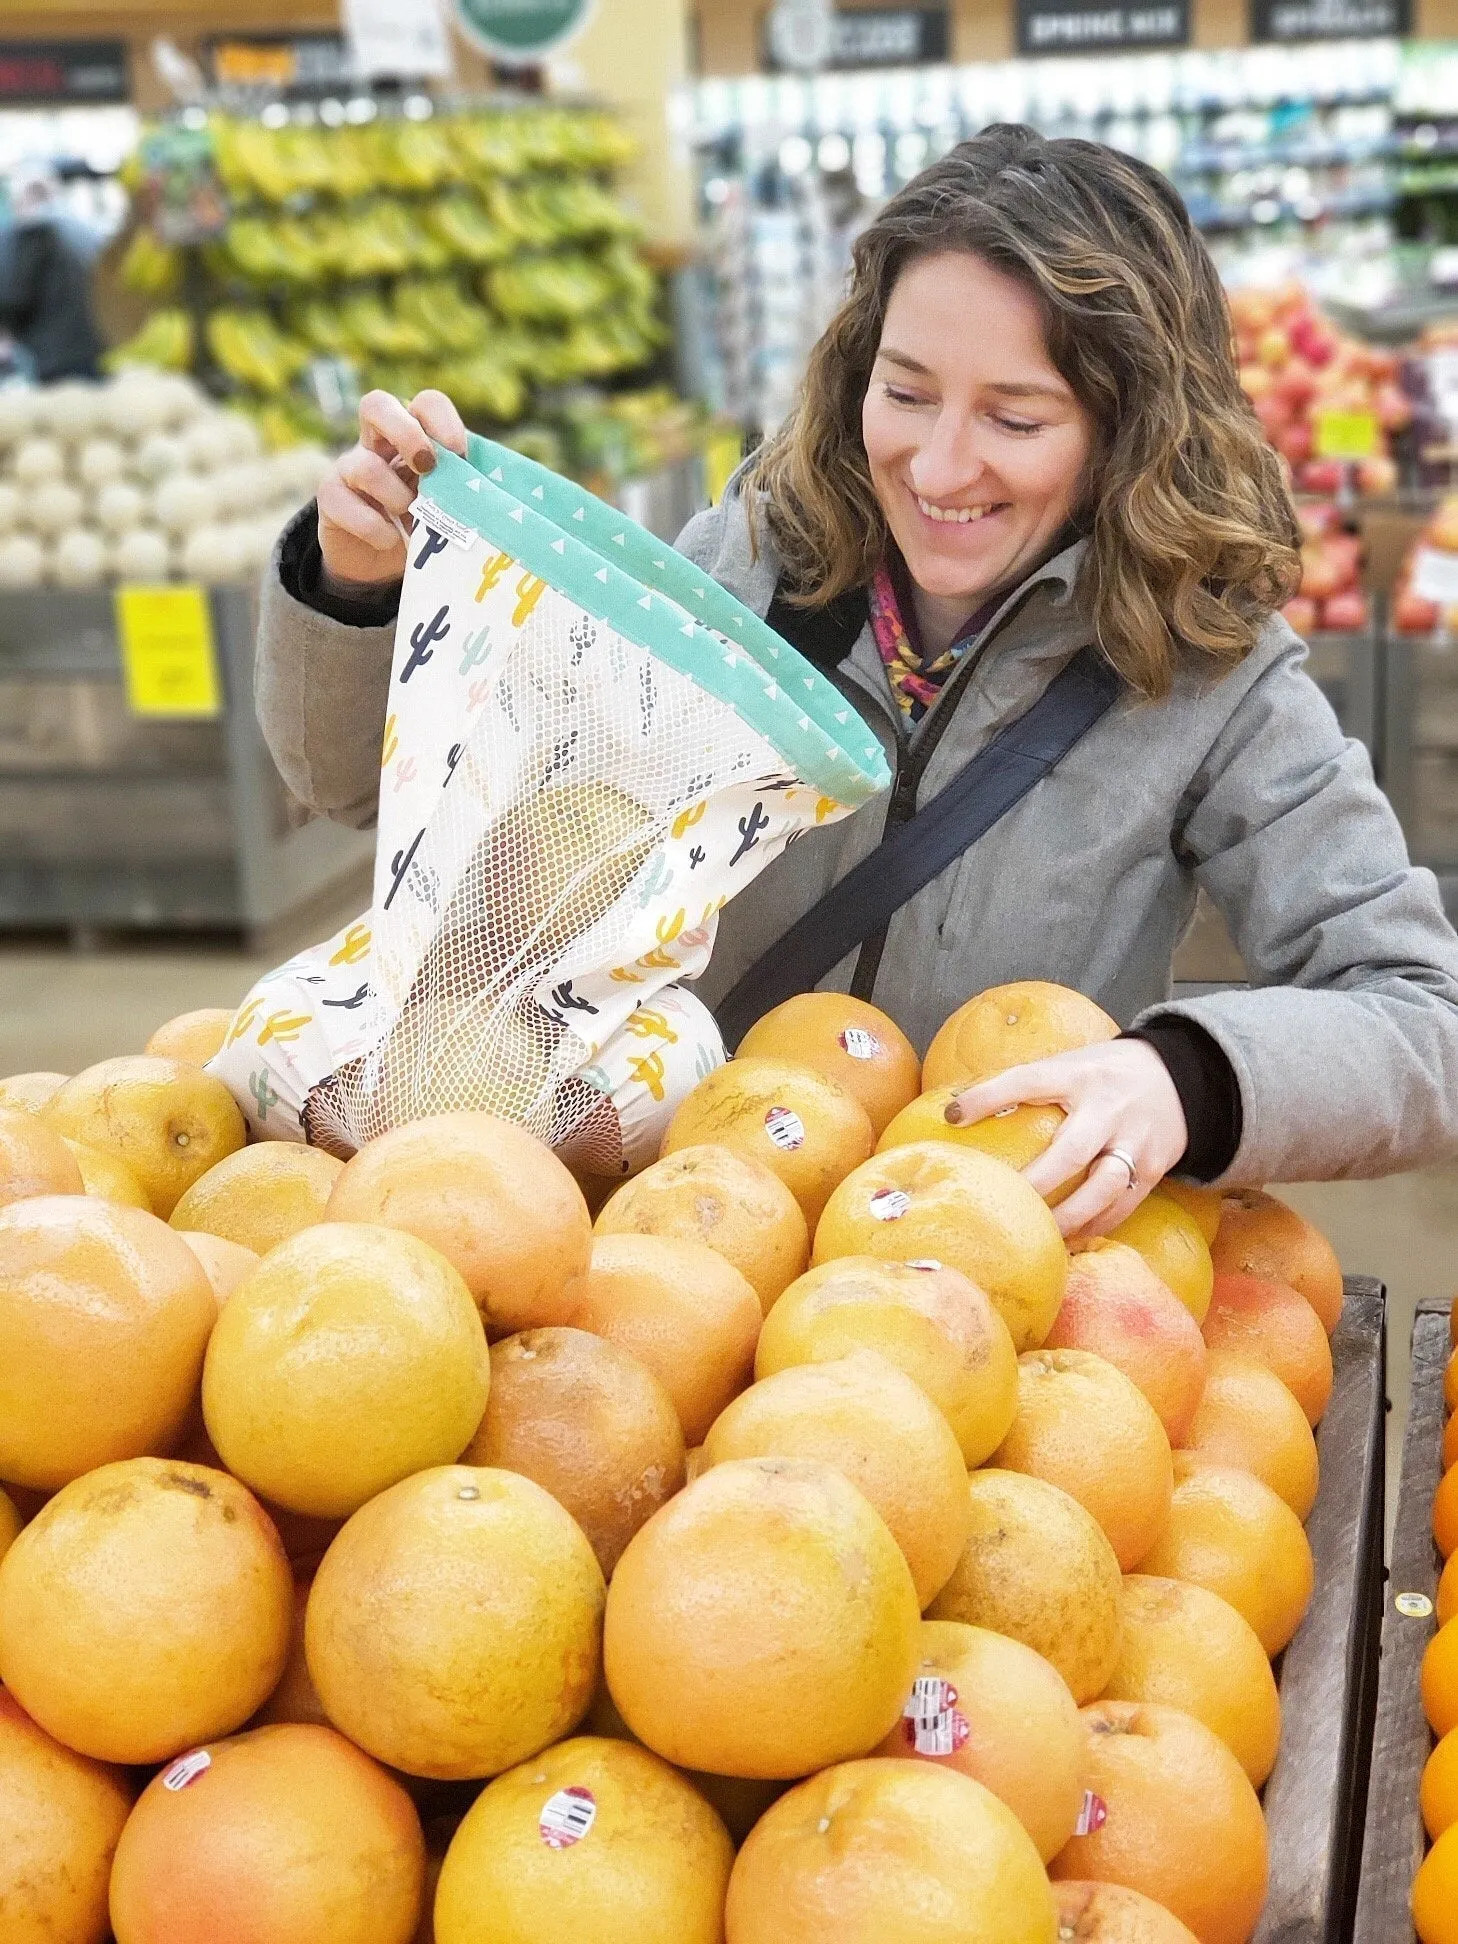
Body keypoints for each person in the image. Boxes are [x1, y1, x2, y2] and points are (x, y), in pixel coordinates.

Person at [254, 123, 1458, 1238]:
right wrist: (362, 588)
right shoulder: (744, 572)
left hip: (987, 1279)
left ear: (1127, 427)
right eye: (908, 390)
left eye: (1017, 419)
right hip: (683, 1241)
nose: (938, 466)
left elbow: (1423, 1023)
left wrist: (1183, 1074)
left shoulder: (1210, 678)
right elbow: (368, 796)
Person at [0, 162, 103, 385]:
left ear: (21, 199)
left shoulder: (35, 231)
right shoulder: (87, 230)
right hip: (101, 349)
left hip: (60, 356)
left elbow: (13, 297)